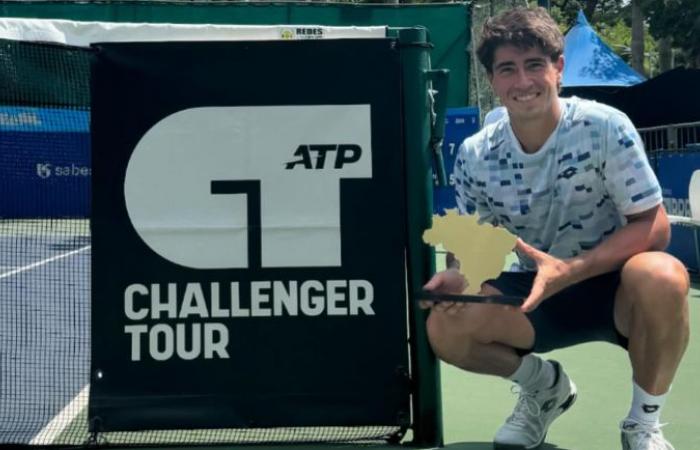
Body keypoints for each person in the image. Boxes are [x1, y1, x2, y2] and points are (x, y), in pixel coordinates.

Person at [422, 7, 690, 450]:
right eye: (507, 69)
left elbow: (653, 225)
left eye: (534, 65)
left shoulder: (604, 126)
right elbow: (471, 245)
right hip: (536, 293)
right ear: (493, 79)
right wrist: (459, 276)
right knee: (446, 325)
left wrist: (572, 269)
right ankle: (545, 389)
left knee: (661, 275)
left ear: (558, 68)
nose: (522, 81)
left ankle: (642, 423)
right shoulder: (474, 154)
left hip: (620, 291)